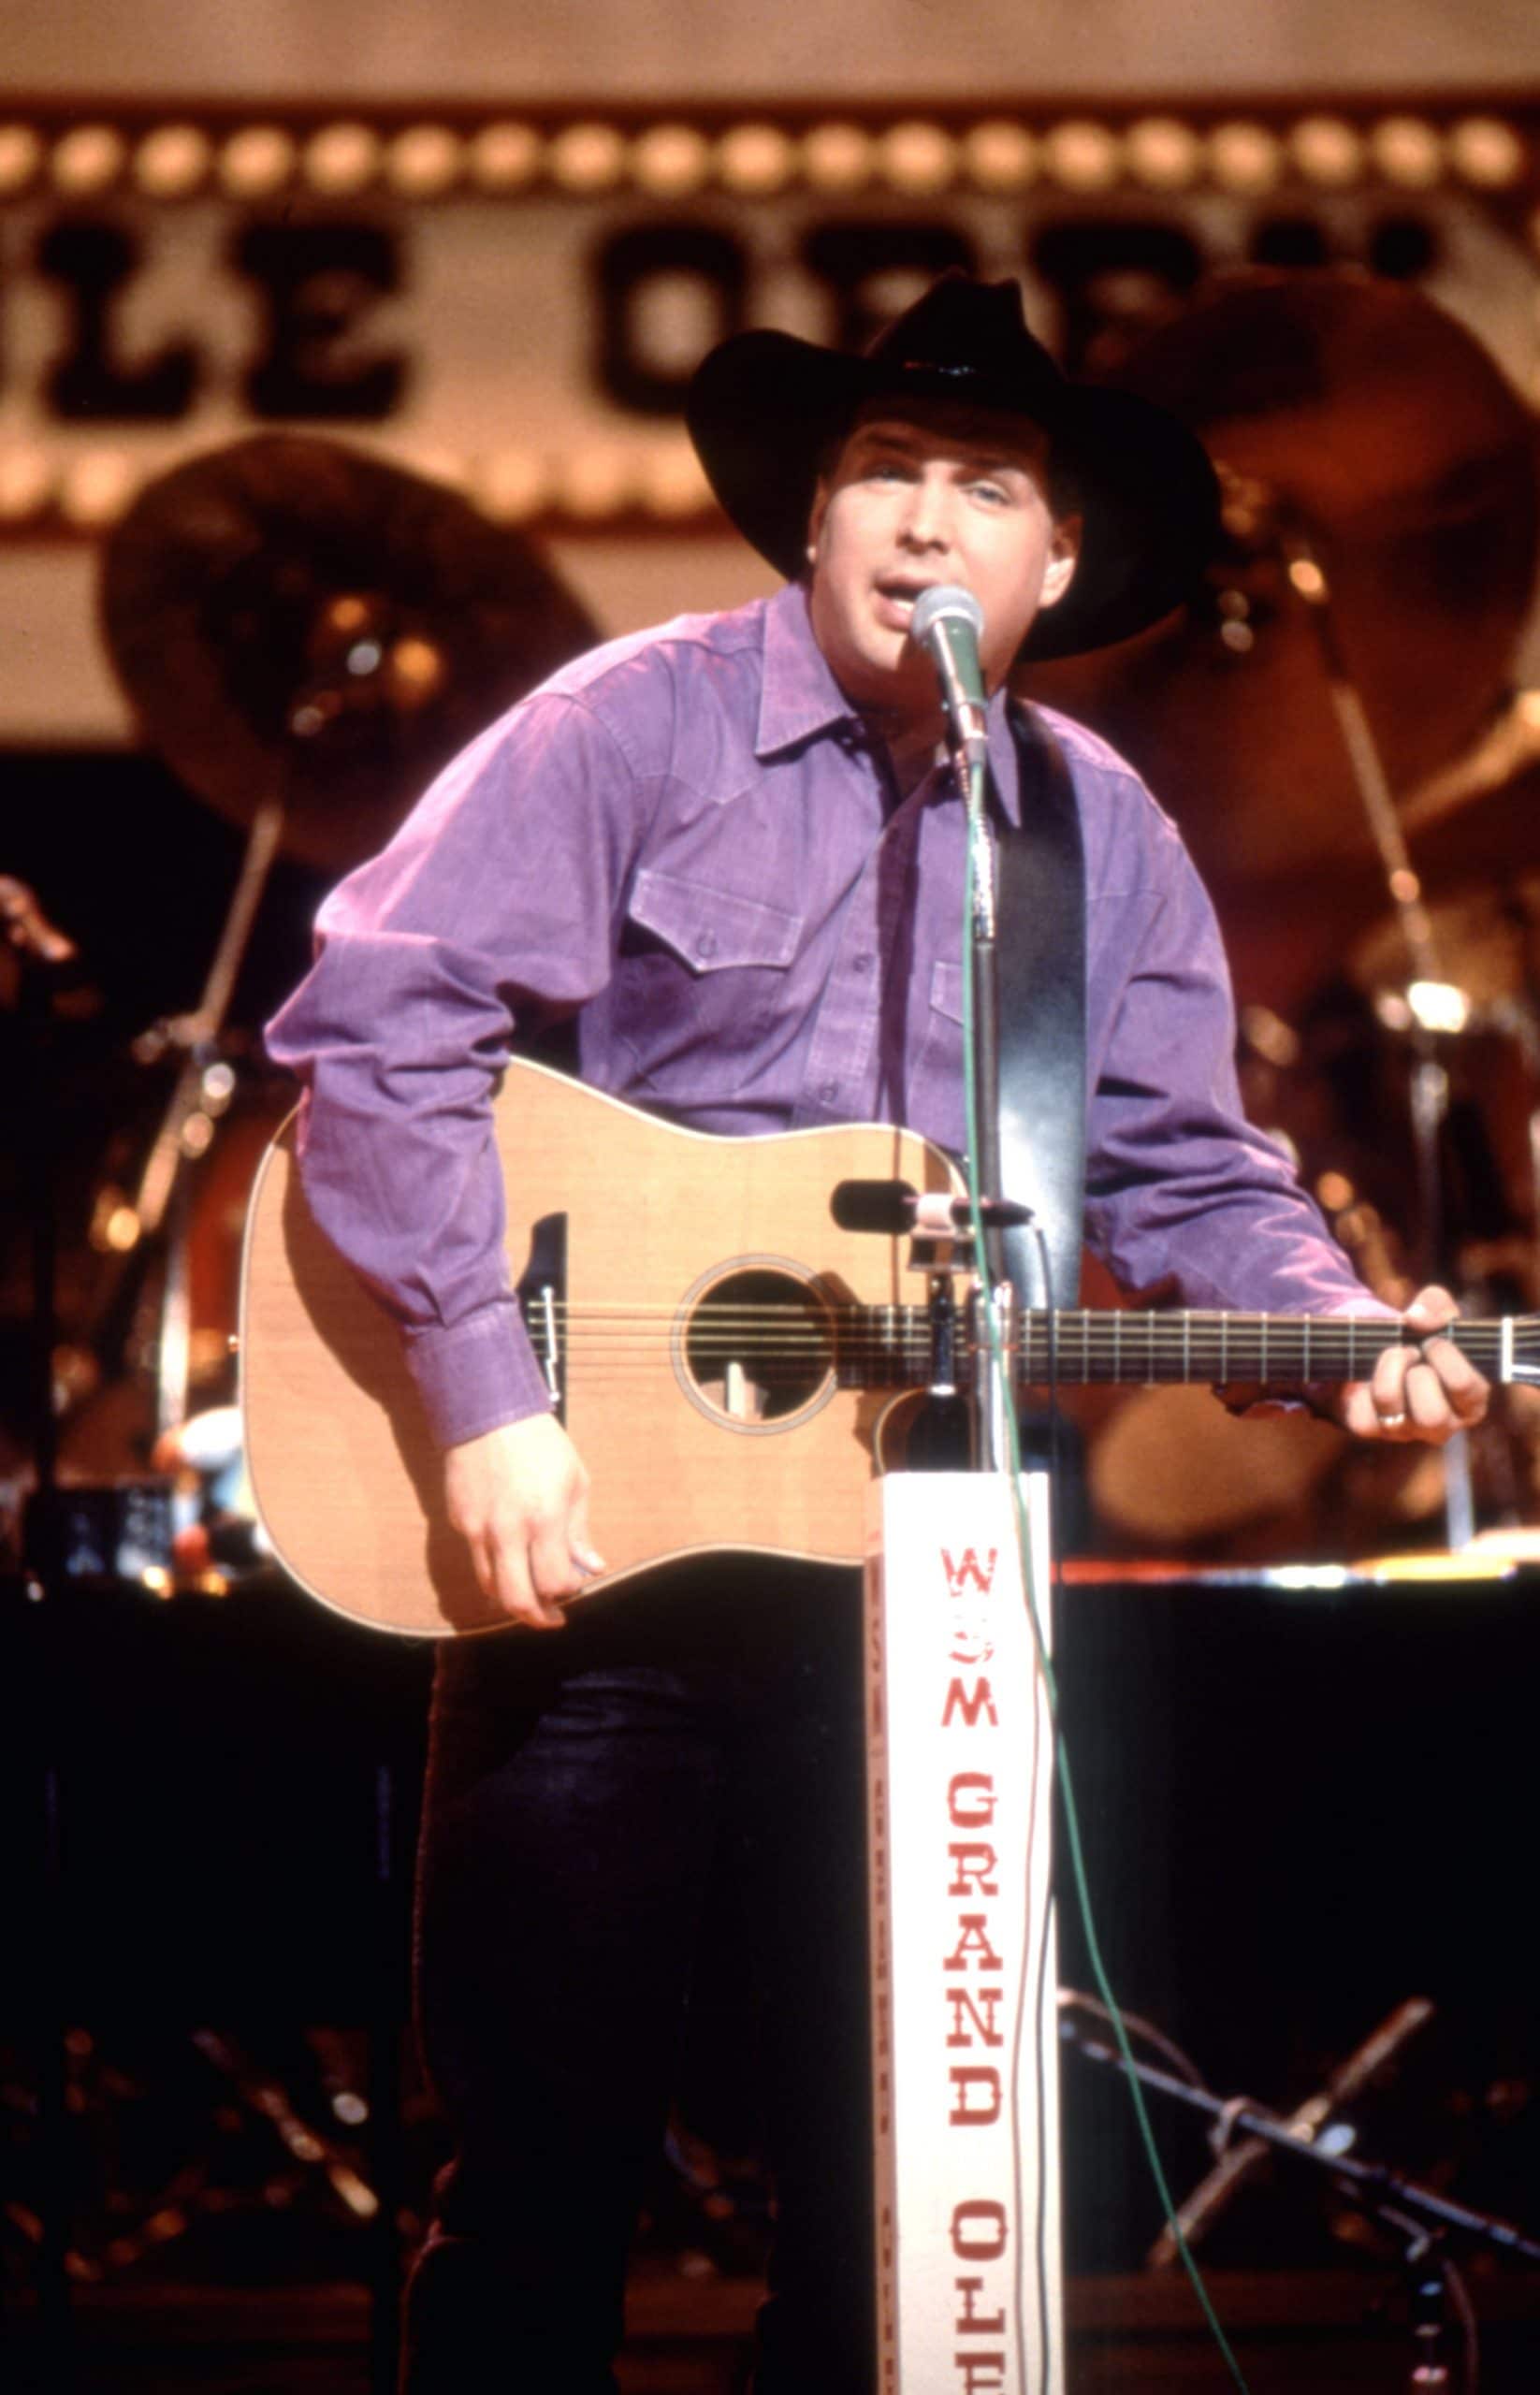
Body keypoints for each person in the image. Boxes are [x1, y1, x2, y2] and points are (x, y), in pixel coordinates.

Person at [265, 275, 1489, 2393]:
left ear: (1057, 558)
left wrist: (1329, 1326)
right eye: (881, 477)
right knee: (536, 2177)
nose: (925, 524)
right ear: (810, 524)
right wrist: (484, 1390)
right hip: (593, 1555)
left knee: (902, 2193)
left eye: (981, 486)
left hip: (919, 1565)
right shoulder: (630, 720)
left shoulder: (1090, 825)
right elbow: (372, 1025)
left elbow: (1188, 1173)